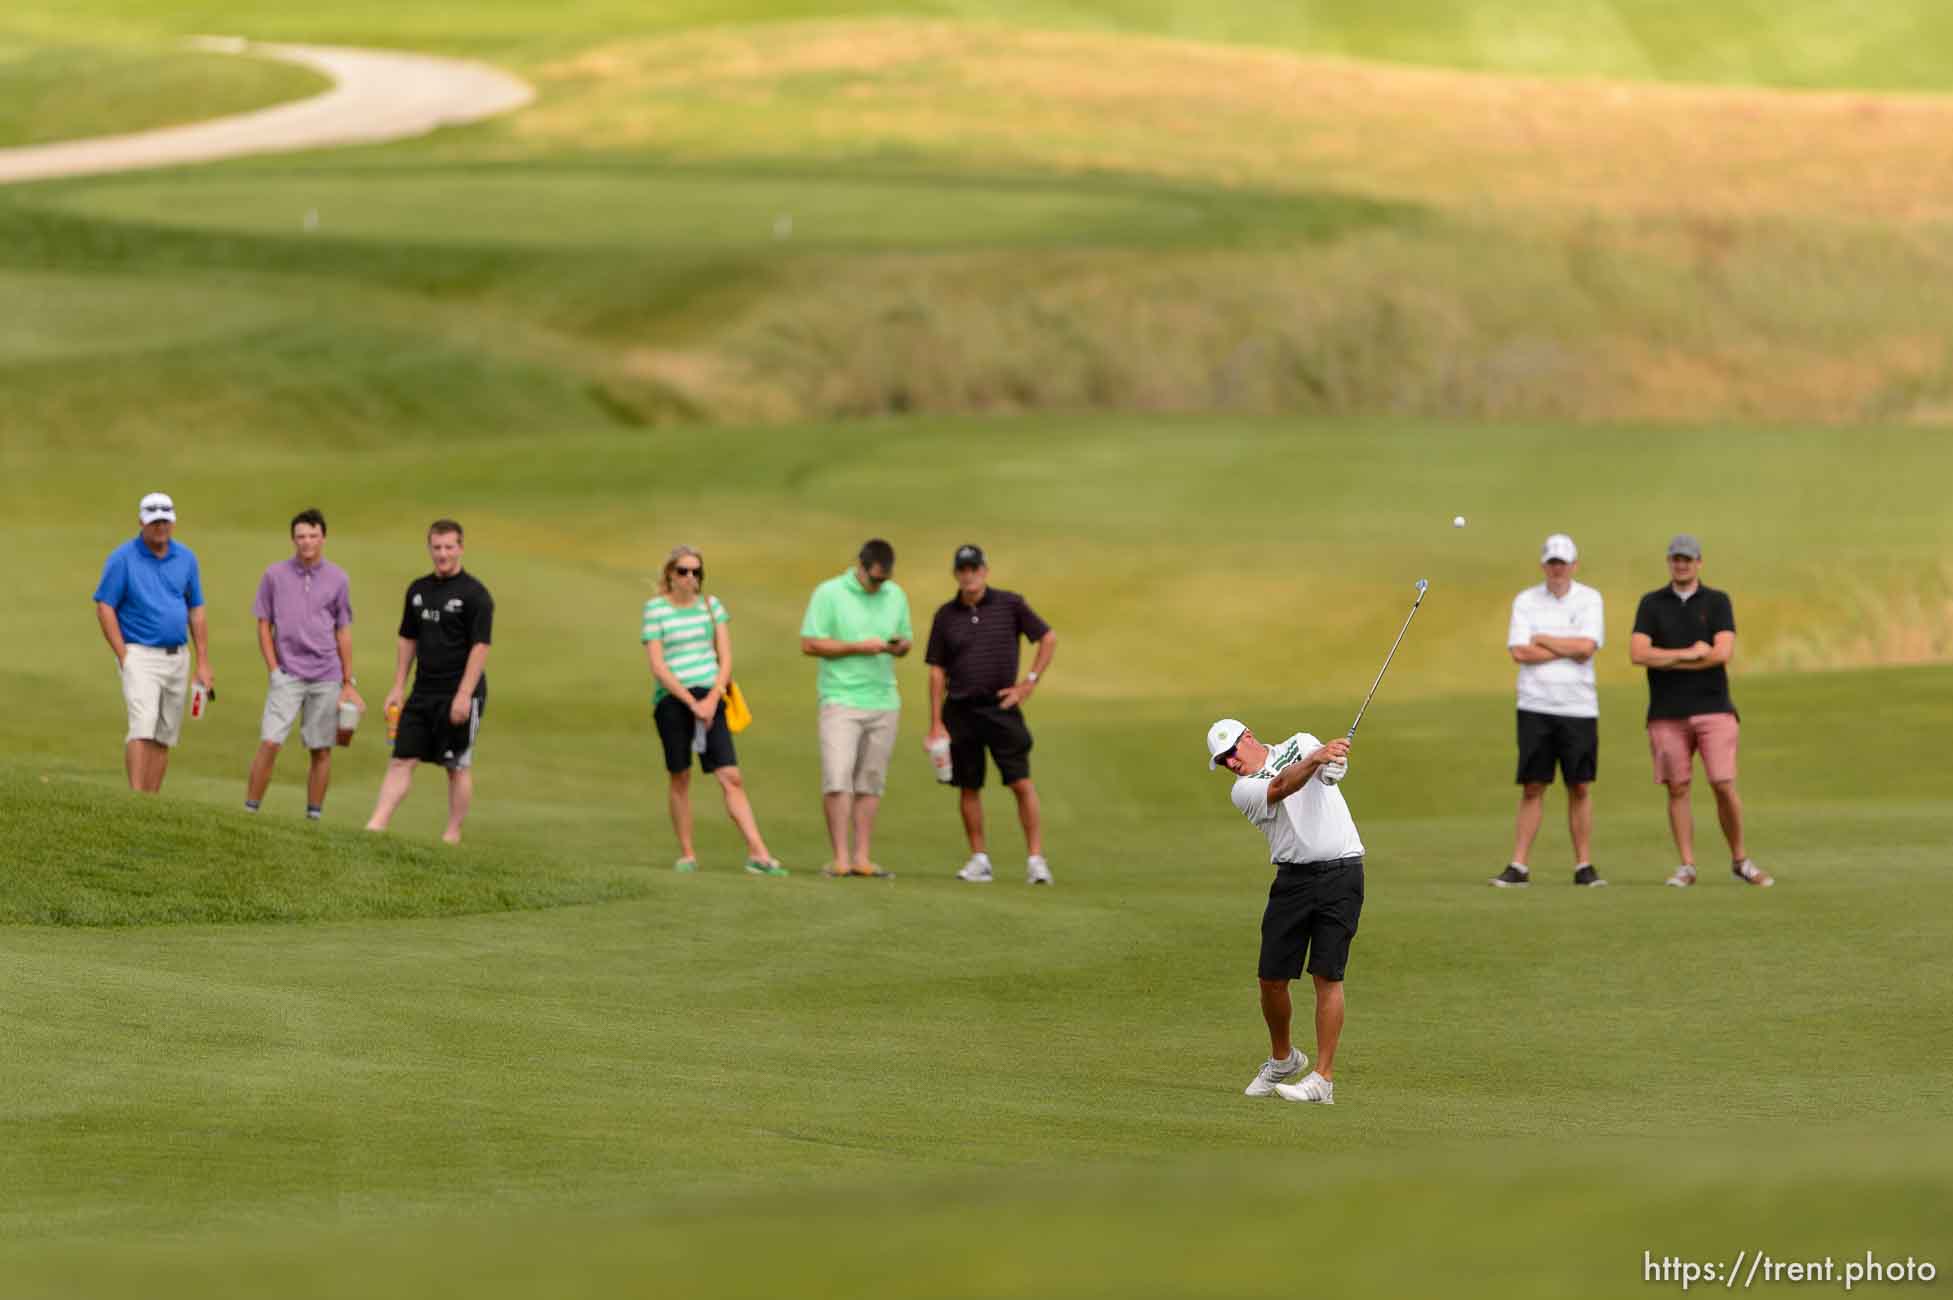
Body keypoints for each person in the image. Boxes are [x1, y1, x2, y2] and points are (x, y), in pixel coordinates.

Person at [1209, 718, 1361, 1106]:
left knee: (1328, 975)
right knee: (1271, 980)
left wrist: (1332, 763)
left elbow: (1327, 776)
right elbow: (1282, 785)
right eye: (1222, 761)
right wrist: (1317, 760)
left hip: (1342, 871)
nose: (1230, 763)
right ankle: (1283, 1059)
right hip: (1292, 880)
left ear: (1248, 737)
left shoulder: (1302, 741)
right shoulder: (1243, 790)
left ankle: (1323, 1079)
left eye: (1231, 753)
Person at [1628, 534, 1772, 887]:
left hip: (1713, 708)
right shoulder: (1651, 603)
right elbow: (1638, 654)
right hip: (1666, 712)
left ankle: (1740, 859)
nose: (1682, 565)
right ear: (1669, 562)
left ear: (1699, 563)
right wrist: (1689, 654)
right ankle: (1687, 865)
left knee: (1723, 783)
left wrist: (1668, 659)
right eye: (1676, 559)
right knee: (1677, 787)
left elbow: (1722, 653)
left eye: (1687, 559)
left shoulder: (1717, 601)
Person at [641, 545, 787, 877]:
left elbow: (725, 656)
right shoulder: (656, 610)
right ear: (670, 575)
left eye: (696, 572)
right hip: (673, 698)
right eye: (683, 571)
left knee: (730, 775)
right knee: (680, 775)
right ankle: (688, 853)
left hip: (711, 695)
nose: (690, 578)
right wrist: (690, 702)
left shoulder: (711, 606)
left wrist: (712, 697)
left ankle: (758, 852)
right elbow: (658, 665)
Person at [924, 544, 1058, 885]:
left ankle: (1035, 860)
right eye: (963, 570)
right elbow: (937, 670)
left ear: (985, 570)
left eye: (975, 568)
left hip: (1001, 707)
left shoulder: (1009, 604)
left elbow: (1047, 638)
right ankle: (979, 859)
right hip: (960, 710)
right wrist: (936, 721)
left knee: (1020, 782)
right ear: (957, 573)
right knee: (969, 787)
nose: (969, 575)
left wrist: (1027, 684)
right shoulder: (945, 615)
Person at [364, 520, 493, 845]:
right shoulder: (418, 590)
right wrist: (397, 686)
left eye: (449, 547)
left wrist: (464, 695)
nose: (443, 554)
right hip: (423, 690)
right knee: (401, 758)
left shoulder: (475, 595)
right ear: (429, 548)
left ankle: (452, 833)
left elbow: (481, 647)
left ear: (461, 548)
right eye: (437, 547)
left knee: (456, 765)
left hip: (460, 692)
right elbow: (407, 639)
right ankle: (376, 825)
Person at [1491, 533, 1606, 888]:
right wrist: (1566, 647)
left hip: (1578, 706)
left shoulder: (1589, 599)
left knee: (1580, 786)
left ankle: (1583, 865)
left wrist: (1542, 638)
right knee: (1533, 786)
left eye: (1563, 563)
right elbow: (1519, 653)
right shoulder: (1526, 601)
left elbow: (1587, 647)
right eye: (1552, 563)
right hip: (1535, 704)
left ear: (1574, 565)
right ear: (1544, 565)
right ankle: (1519, 865)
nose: (1557, 569)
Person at [799, 539, 912, 878]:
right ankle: (840, 858)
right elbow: (810, 643)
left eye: (884, 580)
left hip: (883, 699)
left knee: (870, 782)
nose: (879, 586)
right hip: (841, 698)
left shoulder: (896, 595)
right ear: (860, 567)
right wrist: (858, 647)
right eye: (874, 579)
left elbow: (905, 640)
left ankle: (862, 858)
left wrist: (899, 647)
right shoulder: (829, 593)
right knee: (838, 778)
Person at [245, 509, 364, 819]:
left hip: (327, 674)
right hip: (287, 673)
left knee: (321, 749)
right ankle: (249, 810)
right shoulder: (274, 575)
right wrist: (273, 669)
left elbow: (342, 629)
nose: (307, 542)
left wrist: (348, 681)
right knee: (270, 742)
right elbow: (263, 624)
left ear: (323, 538)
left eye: (313, 536)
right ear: (293, 539)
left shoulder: (339, 578)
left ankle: (313, 816)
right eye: (301, 537)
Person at [92, 492, 212, 793]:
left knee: (165, 733)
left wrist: (203, 662)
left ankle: (150, 802)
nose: (160, 527)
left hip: (177, 656)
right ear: (141, 523)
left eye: (165, 521)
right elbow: (105, 605)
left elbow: (196, 609)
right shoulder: (123, 558)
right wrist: (123, 654)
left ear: (173, 522)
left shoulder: (186, 558)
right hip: (138, 654)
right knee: (142, 725)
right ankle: (135, 797)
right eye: (154, 522)